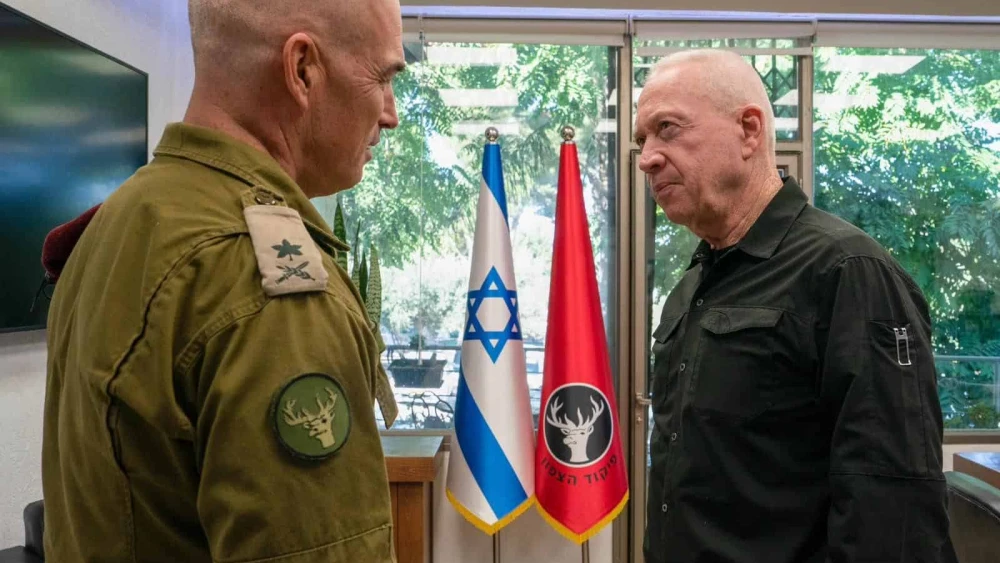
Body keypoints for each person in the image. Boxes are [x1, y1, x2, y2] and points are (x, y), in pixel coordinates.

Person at [41, 0, 405, 561]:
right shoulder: (266, 287)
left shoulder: (125, 218)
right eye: (381, 77)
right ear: (302, 68)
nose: (391, 112)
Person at [635, 50, 956, 563]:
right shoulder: (695, 283)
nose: (648, 156)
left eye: (667, 129)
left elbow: (893, 510)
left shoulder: (847, 272)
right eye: (641, 141)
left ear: (749, 130)